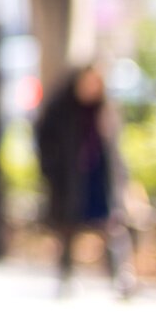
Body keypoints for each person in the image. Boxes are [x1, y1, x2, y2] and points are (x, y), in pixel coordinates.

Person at [36, 63, 136, 299]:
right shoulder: (60, 109)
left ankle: (120, 277)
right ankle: (66, 276)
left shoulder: (104, 111)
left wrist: (123, 182)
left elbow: (114, 151)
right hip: (70, 181)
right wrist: (53, 171)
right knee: (69, 229)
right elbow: (44, 140)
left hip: (99, 180)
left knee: (112, 226)